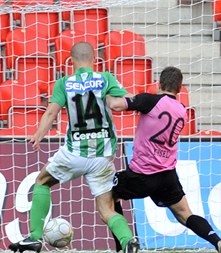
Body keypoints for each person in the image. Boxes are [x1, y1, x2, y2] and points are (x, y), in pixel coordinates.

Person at [8, 42, 139, 253]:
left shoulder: (64, 83)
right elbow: (123, 102)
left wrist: (38, 135)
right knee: (106, 208)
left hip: (73, 153)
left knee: (42, 181)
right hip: (103, 156)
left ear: (71, 61)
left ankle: (34, 238)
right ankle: (128, 241)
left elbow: (51, 112)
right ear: (95, 59)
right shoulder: (105, 78)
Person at [106, 66, 221, 253]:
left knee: (108, 196)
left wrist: (105, 92)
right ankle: (218, 241)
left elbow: (116, 105)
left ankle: (123, 247)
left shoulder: (148, 100)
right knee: (185, 214)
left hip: (142, 174)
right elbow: (149, 106)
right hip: (167, 176)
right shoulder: (181, 109)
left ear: (158, 84)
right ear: (180, 89)